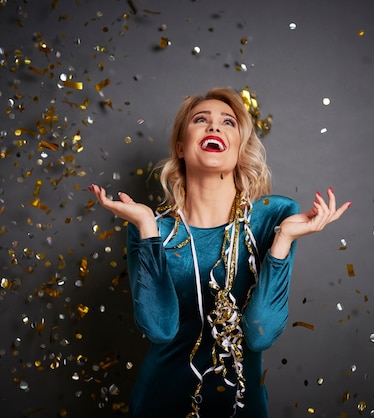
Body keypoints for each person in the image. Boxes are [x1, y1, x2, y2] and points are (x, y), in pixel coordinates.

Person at [88, 87, 350, 417]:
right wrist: (146, 227)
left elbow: (260, 334)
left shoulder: (274, 216)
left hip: (242, 407)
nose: (215, 127)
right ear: (181, 147)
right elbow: (159, 328)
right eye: (201, 120)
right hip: (160, 403)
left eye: (228, 122)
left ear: (240, 147)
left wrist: (282, 241)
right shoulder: (152, 227)